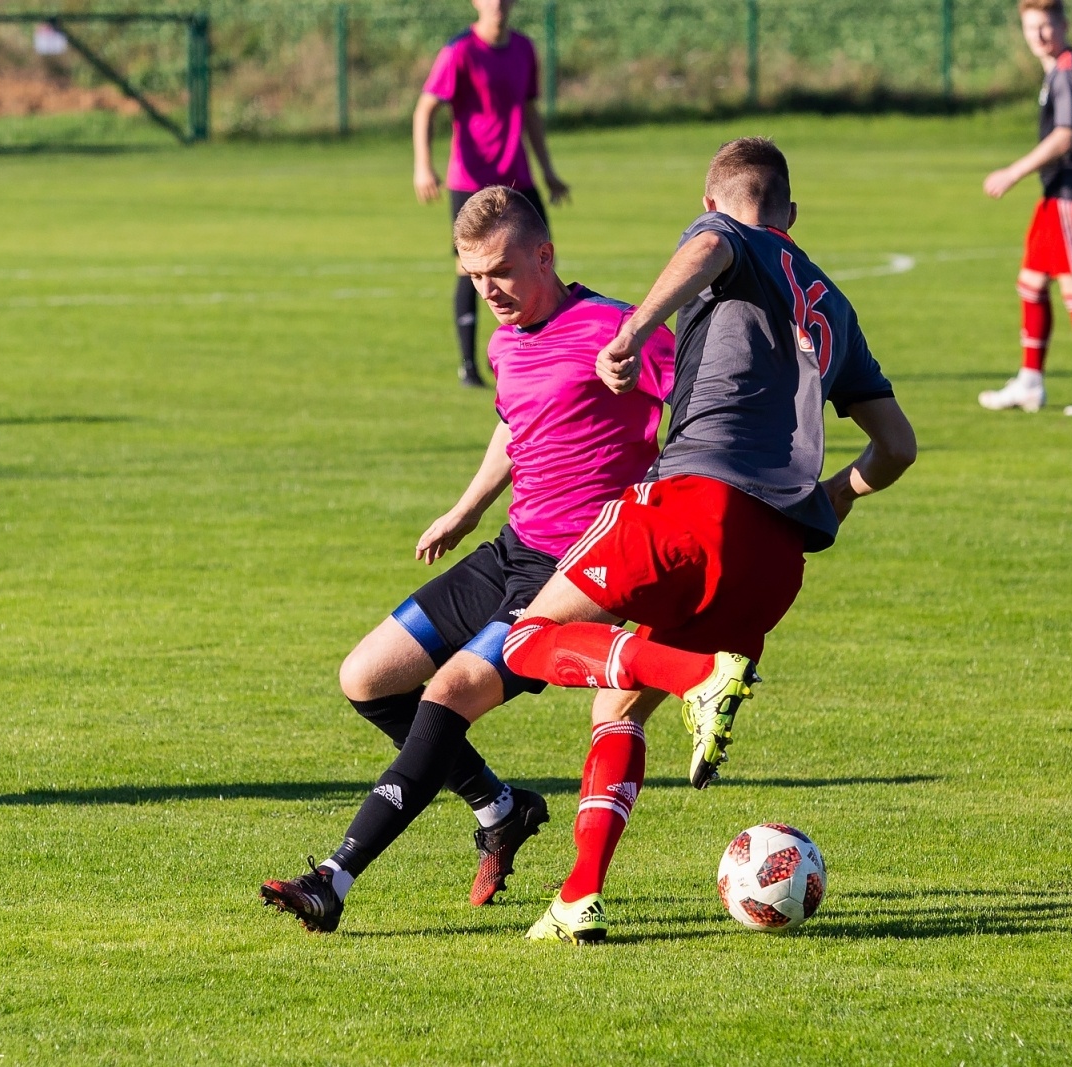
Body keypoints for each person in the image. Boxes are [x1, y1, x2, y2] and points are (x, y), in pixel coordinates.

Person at [498, 137, 918, 944]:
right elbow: (896, 445)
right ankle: (577, 896)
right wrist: (838, 496)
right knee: (616, 705)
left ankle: (700, 677)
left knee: (526, 639)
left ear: (711, 197)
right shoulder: (835, 304)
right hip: (776, 560)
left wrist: (632, 332)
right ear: (793, 212)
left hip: (695, 504)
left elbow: (714, 244)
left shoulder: (730, 235)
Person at [260, 187, 675, 933]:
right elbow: (516, 425)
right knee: (365, 679)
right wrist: (467, 506)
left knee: (446, 694)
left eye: (502, 271)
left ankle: (334, 878)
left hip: (573, 576)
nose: (488, 290)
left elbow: (704, 410)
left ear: (544, 254)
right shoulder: (504, 340)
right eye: (474, 276)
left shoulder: (616, 330)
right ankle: (500, 807)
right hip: (509, 548)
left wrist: (665, 509)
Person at [979, 0, 1072, 416]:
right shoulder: (1060, 70)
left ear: (1063, 25)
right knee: (1031, 283)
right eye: (1031, 29)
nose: (1039, 36)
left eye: (1046, 27)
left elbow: (1065, 137)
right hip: (1057, 195)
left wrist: (1013, 172)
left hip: (1070, 195)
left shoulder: (1067, 71)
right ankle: (1030, 383)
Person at [413, 0, 571, 389]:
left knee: (541, 261)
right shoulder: (459, 51)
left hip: (518, 176)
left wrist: (548, 171)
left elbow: (530, 112)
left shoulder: (523, 48)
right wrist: (422, 164)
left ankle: (549, 349)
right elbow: (425, 108)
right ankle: (469, 365)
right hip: (470, 180)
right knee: (471, 270)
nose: (498, 3)